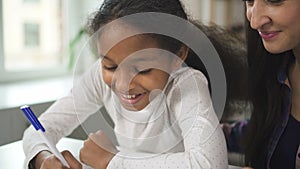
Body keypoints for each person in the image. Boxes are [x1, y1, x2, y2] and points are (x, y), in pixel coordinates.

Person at [23, 0, 232, 169]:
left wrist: (113, 161)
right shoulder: (98, 76)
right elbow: (39, 128)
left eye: (142, 70)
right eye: (111, 67)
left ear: (177, 56)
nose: (123, 84)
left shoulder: (187, 85)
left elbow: (209, 164)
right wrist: (43, 158)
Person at [224, 0, 300, 168]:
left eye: (274, 1)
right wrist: (205, 133)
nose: (255, 21)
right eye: (250, 1)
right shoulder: (278, 69)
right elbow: (263, 129)